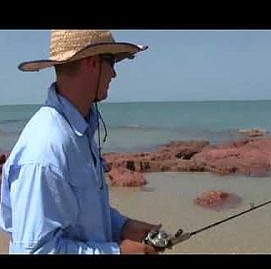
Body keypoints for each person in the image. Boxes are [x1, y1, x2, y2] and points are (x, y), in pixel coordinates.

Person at [0, 30, 163, 254]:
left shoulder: (78, 131)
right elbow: (35, 251)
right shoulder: (45, 150)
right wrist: (118, 252)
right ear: (92, 63)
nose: (114, 74)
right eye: (112, 61)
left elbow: (82, 212)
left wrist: (124, 227)